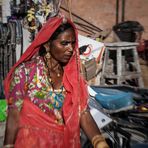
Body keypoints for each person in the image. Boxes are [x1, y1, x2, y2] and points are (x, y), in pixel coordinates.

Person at [3, 16, 109, 148]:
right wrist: (8, 145)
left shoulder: (73, 76)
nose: (71, 49)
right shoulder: (25, 72)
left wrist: (99, 142)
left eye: (72, 43)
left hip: (62, 143)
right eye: (64, 43)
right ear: (47, 45)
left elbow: (82, 112)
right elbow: (14, 113)